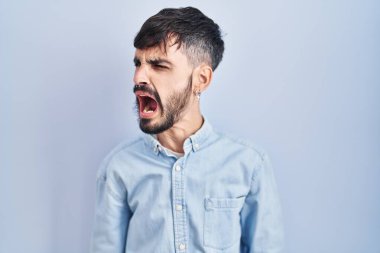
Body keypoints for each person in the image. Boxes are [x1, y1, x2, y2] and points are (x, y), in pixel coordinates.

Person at [90, 6, 284, 253]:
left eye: (159, 65)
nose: (139, 77)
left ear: (201, 79)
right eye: (138, 63)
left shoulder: (249, 165)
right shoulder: (119, 167)